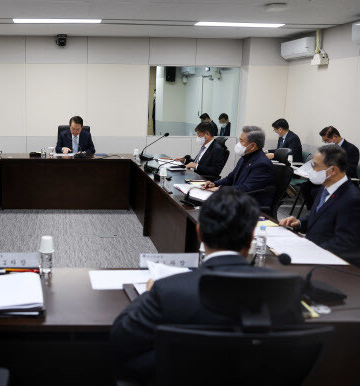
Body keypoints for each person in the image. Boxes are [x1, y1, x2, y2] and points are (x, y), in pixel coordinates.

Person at [110, 188, 304, 382]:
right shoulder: (284, 291)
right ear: (252, 236)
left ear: (199, 233)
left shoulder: (167, 290)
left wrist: (148, 293)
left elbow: (121, 336)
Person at [280, 145, 360, 265]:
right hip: (314, 255)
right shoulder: (325, 187)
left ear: (332, 170)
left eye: (315, 166)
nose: (311, 171)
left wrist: (309, 251)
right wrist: (299, 223)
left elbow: (346, 243)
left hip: (332, 265)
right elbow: (319, 217)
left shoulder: (352, 199)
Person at [202, 126, 275, 208]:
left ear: (253, 146)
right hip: (237, 200)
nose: (238, 144)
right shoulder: (245, 158)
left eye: (241, 141)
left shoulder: (262, 164)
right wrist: (214, 183)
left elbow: (246, 188)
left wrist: (220, 189)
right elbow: (231, 178)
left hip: (249, 207)